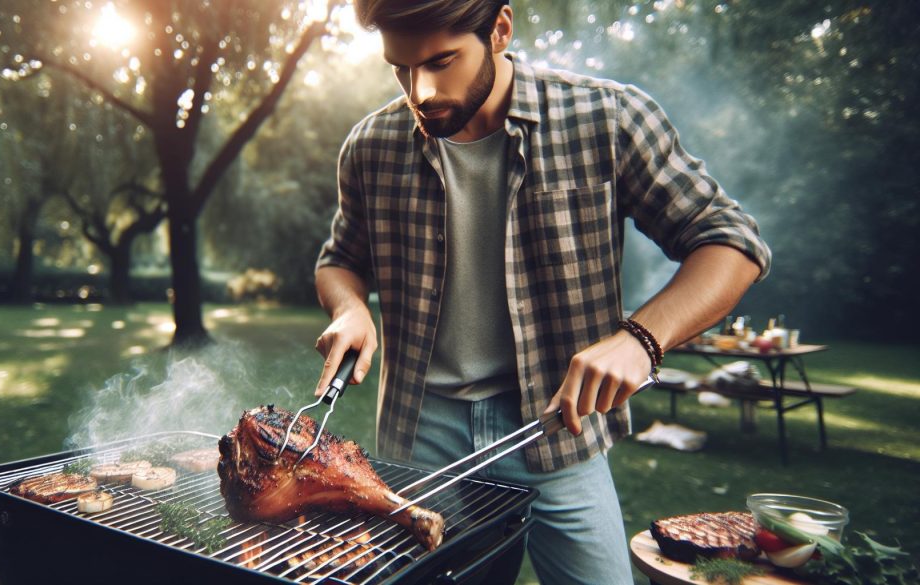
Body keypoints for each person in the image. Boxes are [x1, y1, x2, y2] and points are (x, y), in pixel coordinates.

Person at [312, 1, 771, 583]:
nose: (420, 92)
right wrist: (350, 307)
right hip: (421, 435)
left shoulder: (607, 117)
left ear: (500, 30)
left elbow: (732, 243)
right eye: (400, 68)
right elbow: (340, 261)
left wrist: (640, 340)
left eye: (441, 61)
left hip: (559, 430)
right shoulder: (370, 146)